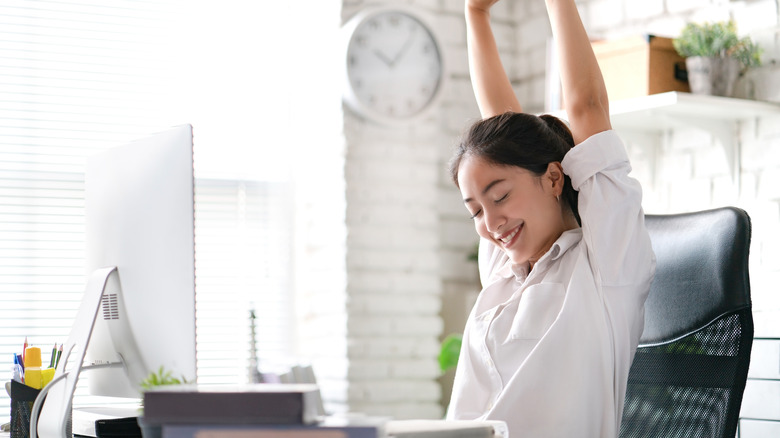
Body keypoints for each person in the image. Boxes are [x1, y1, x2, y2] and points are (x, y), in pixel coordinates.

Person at [445, 0, 656, 436]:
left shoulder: (605, 267)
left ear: (554, 178)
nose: (491, 222)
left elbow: (586, 106)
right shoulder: (504, 271)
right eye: (476, 211)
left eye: (500, 196)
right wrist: (475, 14)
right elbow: (501, 131)